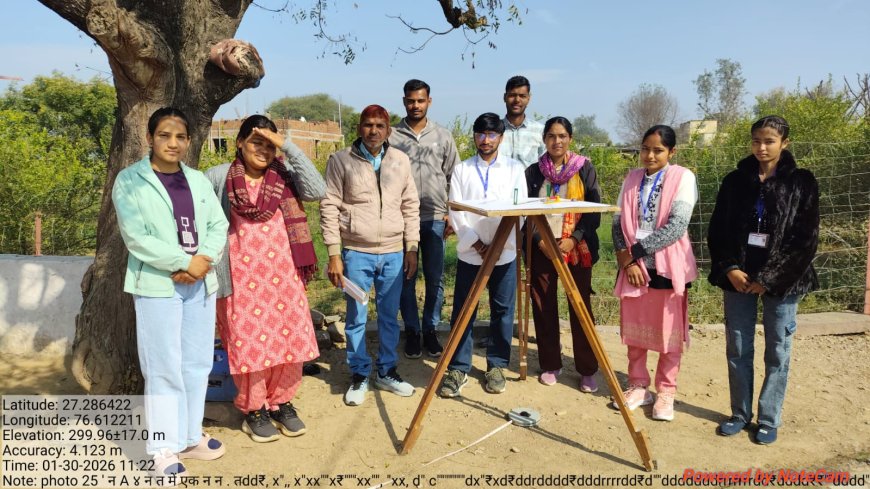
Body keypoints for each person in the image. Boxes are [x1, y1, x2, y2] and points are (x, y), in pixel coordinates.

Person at [112, 107, 229, 478]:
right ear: (150, 138)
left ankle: (189, 436)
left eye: (180, 137)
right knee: (162, 366)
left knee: (196, 363)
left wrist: (203, 260)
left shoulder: (196, 181)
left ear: (190, 141)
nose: (172, 143)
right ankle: (162, 448)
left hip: (200, 283)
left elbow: (218, 224)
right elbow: (136, 238)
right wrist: (183, 261)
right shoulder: (130, 181)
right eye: (164, 135)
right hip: (158, 285)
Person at [205, 115, 324, 443]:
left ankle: (282, 402)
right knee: (251, 345)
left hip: (284, 278)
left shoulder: (283, 175)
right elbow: (199, 217)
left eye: (270, 145)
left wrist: (285, 144)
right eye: (256, 142)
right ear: (240, 142)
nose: (264, 150)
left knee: (288, 343)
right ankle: (253, 409)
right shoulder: (219, 178)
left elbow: (317, 189)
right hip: (241, 280)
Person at [708, 116, 819, 445]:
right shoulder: (734, 181)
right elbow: (719, 230)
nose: (761, 147)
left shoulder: (802, 183)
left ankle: (769, 418)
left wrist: (769, 278)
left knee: (778, 350)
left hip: (784, 282)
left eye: (769, 141)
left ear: (784, 143)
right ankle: (740, 414)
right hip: (738, 278)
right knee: (738, 348)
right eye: (756, 140)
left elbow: (805, 240)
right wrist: (729, 266)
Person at [320, 104, 421, 407]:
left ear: (388, 130)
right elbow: (329, 206)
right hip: (357, 254)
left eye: (380, 125)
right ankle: (360, 373)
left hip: (392, 253)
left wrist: (412, 247)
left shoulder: (400, 161)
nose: (374, 131)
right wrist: (335, 254)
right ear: (359, 128)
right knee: (357, 317)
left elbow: (410, 205)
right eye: (368, 125)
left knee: (390, 317)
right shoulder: (341, 161)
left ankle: (387, 371)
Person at [612, 125, 698, 422]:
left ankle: (666, 391)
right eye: (645, 148)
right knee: (635, 330)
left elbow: (676, 226)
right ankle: (638, 385)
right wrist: (628, 262)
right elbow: (617, 222)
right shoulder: (632, 178)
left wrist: (634, 253)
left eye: (658, 150)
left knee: (669, 334)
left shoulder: (683, 177)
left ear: (671, 152)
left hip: (667, 267)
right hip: (634, 268)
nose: (650, 155)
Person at [439, 112, 528, 398]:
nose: (485, 140)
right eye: (480, 134)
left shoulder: (515, 169)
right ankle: (458, 367)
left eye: (491, 135)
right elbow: (456, 209)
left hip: (504, 252)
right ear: (474, 136)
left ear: (501, 138)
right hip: (472, 253)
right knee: (465, 309)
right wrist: (477, 244)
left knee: (503, 310)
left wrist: (500, 244)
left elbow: (521, 210)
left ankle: (497, 365)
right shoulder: (463, 170)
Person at [524, 116, 601, 392]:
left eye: (563, 136)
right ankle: (550, 364)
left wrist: (574, 239)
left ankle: (587, 369)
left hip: (576, 248)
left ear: (570, 139)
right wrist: (539, 240)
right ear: (544, 139)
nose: (557, 141)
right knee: (544, 306)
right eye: (552, 136)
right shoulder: (534, 171)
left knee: (580, 308)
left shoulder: (584, 168)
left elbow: (594, 212)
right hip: (542, 247)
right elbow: (526, 212)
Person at [389, 79, 461, 359]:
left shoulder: (443, 135)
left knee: (435, 278)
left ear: (429, 101)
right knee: (406, 277)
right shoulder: (392, 136)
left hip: (434, 217)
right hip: (402, 219)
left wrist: (451, 214)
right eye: (410, 100)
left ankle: (430, 330)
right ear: (404, 101)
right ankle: (412, 331)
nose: (415, 105)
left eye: (420, 100)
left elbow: (454, 177)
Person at [499, 75, 547, 168]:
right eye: (512, 95)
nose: (517, 100)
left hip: (529, 182)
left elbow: (546, 166)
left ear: (528, 98)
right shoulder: (494, 131)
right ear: (505, 97)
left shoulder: (540, 131)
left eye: (522, 96)